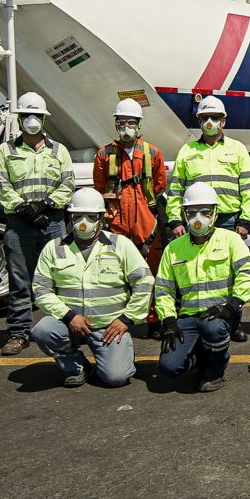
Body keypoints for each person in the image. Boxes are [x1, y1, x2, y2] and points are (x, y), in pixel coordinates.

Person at [31, 189, 154, 387]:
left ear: (101, 218)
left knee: (116, 378)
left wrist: (127, 319)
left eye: (91, 216)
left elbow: (144, 282)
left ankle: (119, 355)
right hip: (70, 323)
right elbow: (41, 289)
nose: (83, 222)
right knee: (43, 330)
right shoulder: (54, 248)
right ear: (70, 217)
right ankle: (76, 366)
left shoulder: (120, 245)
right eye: (78, 216)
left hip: (110, 327)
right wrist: (69, 316)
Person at [154, 182, 250, 392]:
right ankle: (201, 357)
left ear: (215, 214)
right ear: (184, 214)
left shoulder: (230, 240)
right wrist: (168, 321)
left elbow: (249, 275)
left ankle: (215, 370)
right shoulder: (173, 249)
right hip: (188, 317)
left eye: (205, 212)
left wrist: (231, 306)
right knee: (169, 369)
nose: (198, 218)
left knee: (213, 329)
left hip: (221, 313)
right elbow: (163, 289)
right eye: (192, 212)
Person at [165, 95, 250, 341]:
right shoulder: (187, 151)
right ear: (199, 121)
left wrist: (245, 220)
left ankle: (232, 321)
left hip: (229, 220)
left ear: (223, 121)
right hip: (196, 220)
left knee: (233, 275)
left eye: (215, 118)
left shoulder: (236, 149)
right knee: (201, 273)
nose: (210, 122)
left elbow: (248, 187)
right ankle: (193, 320)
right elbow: (175, 189)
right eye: (205, 118)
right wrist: (175, 220)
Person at [0, 92, 76, 356]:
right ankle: (19, 332)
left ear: (44, 119)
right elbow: (2, 184)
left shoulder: (58, 150)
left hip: (51, 221)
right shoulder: (7, 150)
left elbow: (68, 183)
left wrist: (47, 205)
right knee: (21, 280)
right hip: (19, 223)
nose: (32, 120)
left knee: (60, 276)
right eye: (26, 116)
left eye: (36, 116)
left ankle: (65, 326)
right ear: (19, 120)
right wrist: (24, 208)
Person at [93, 98, 166, 339]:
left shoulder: (153, 153)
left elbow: (158, 185)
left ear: (138, 124)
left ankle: (154, 319)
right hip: (116, 218)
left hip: (145, 217)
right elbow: (100, 187)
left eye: (131, 122)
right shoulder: (104, 155)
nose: (126, 127)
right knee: (115, 271)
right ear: (116, 124)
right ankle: (117, 320)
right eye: (122, 122)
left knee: (151, 269)